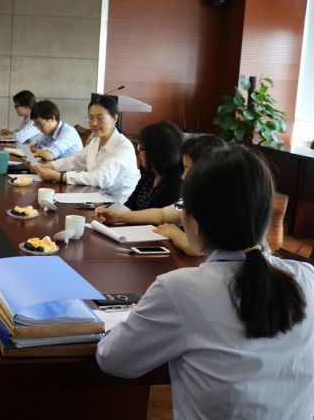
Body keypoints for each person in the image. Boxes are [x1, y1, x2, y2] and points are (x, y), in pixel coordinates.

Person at [96, 146, 314, 419]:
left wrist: (135, 315)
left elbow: (113, 360)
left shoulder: (179, 290)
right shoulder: (307, 277)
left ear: (195, 223)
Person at [94, 134, 227, 256]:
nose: (183, 176)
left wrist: (174, 232)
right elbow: (164, 214)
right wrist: (118, 216)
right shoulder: (193, 197)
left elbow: (197, 249)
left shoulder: (222, 200)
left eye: (187, 169)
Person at [32, 95, 139, 203]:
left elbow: (101, 178)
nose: (94, 123)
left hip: (115, 205)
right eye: (90, 117)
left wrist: (59, 176)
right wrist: (48, 166)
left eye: (100, 118)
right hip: (93, 196)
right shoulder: (96, 141)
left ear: (114, 119)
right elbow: (74, 161)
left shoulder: (123, 147)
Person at [124, 121, 183, 210]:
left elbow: (162, 215)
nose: (139, 152)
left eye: (141, 147)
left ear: (155, 152)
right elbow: (130, 204)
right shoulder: (151, 172)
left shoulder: (177, 181)